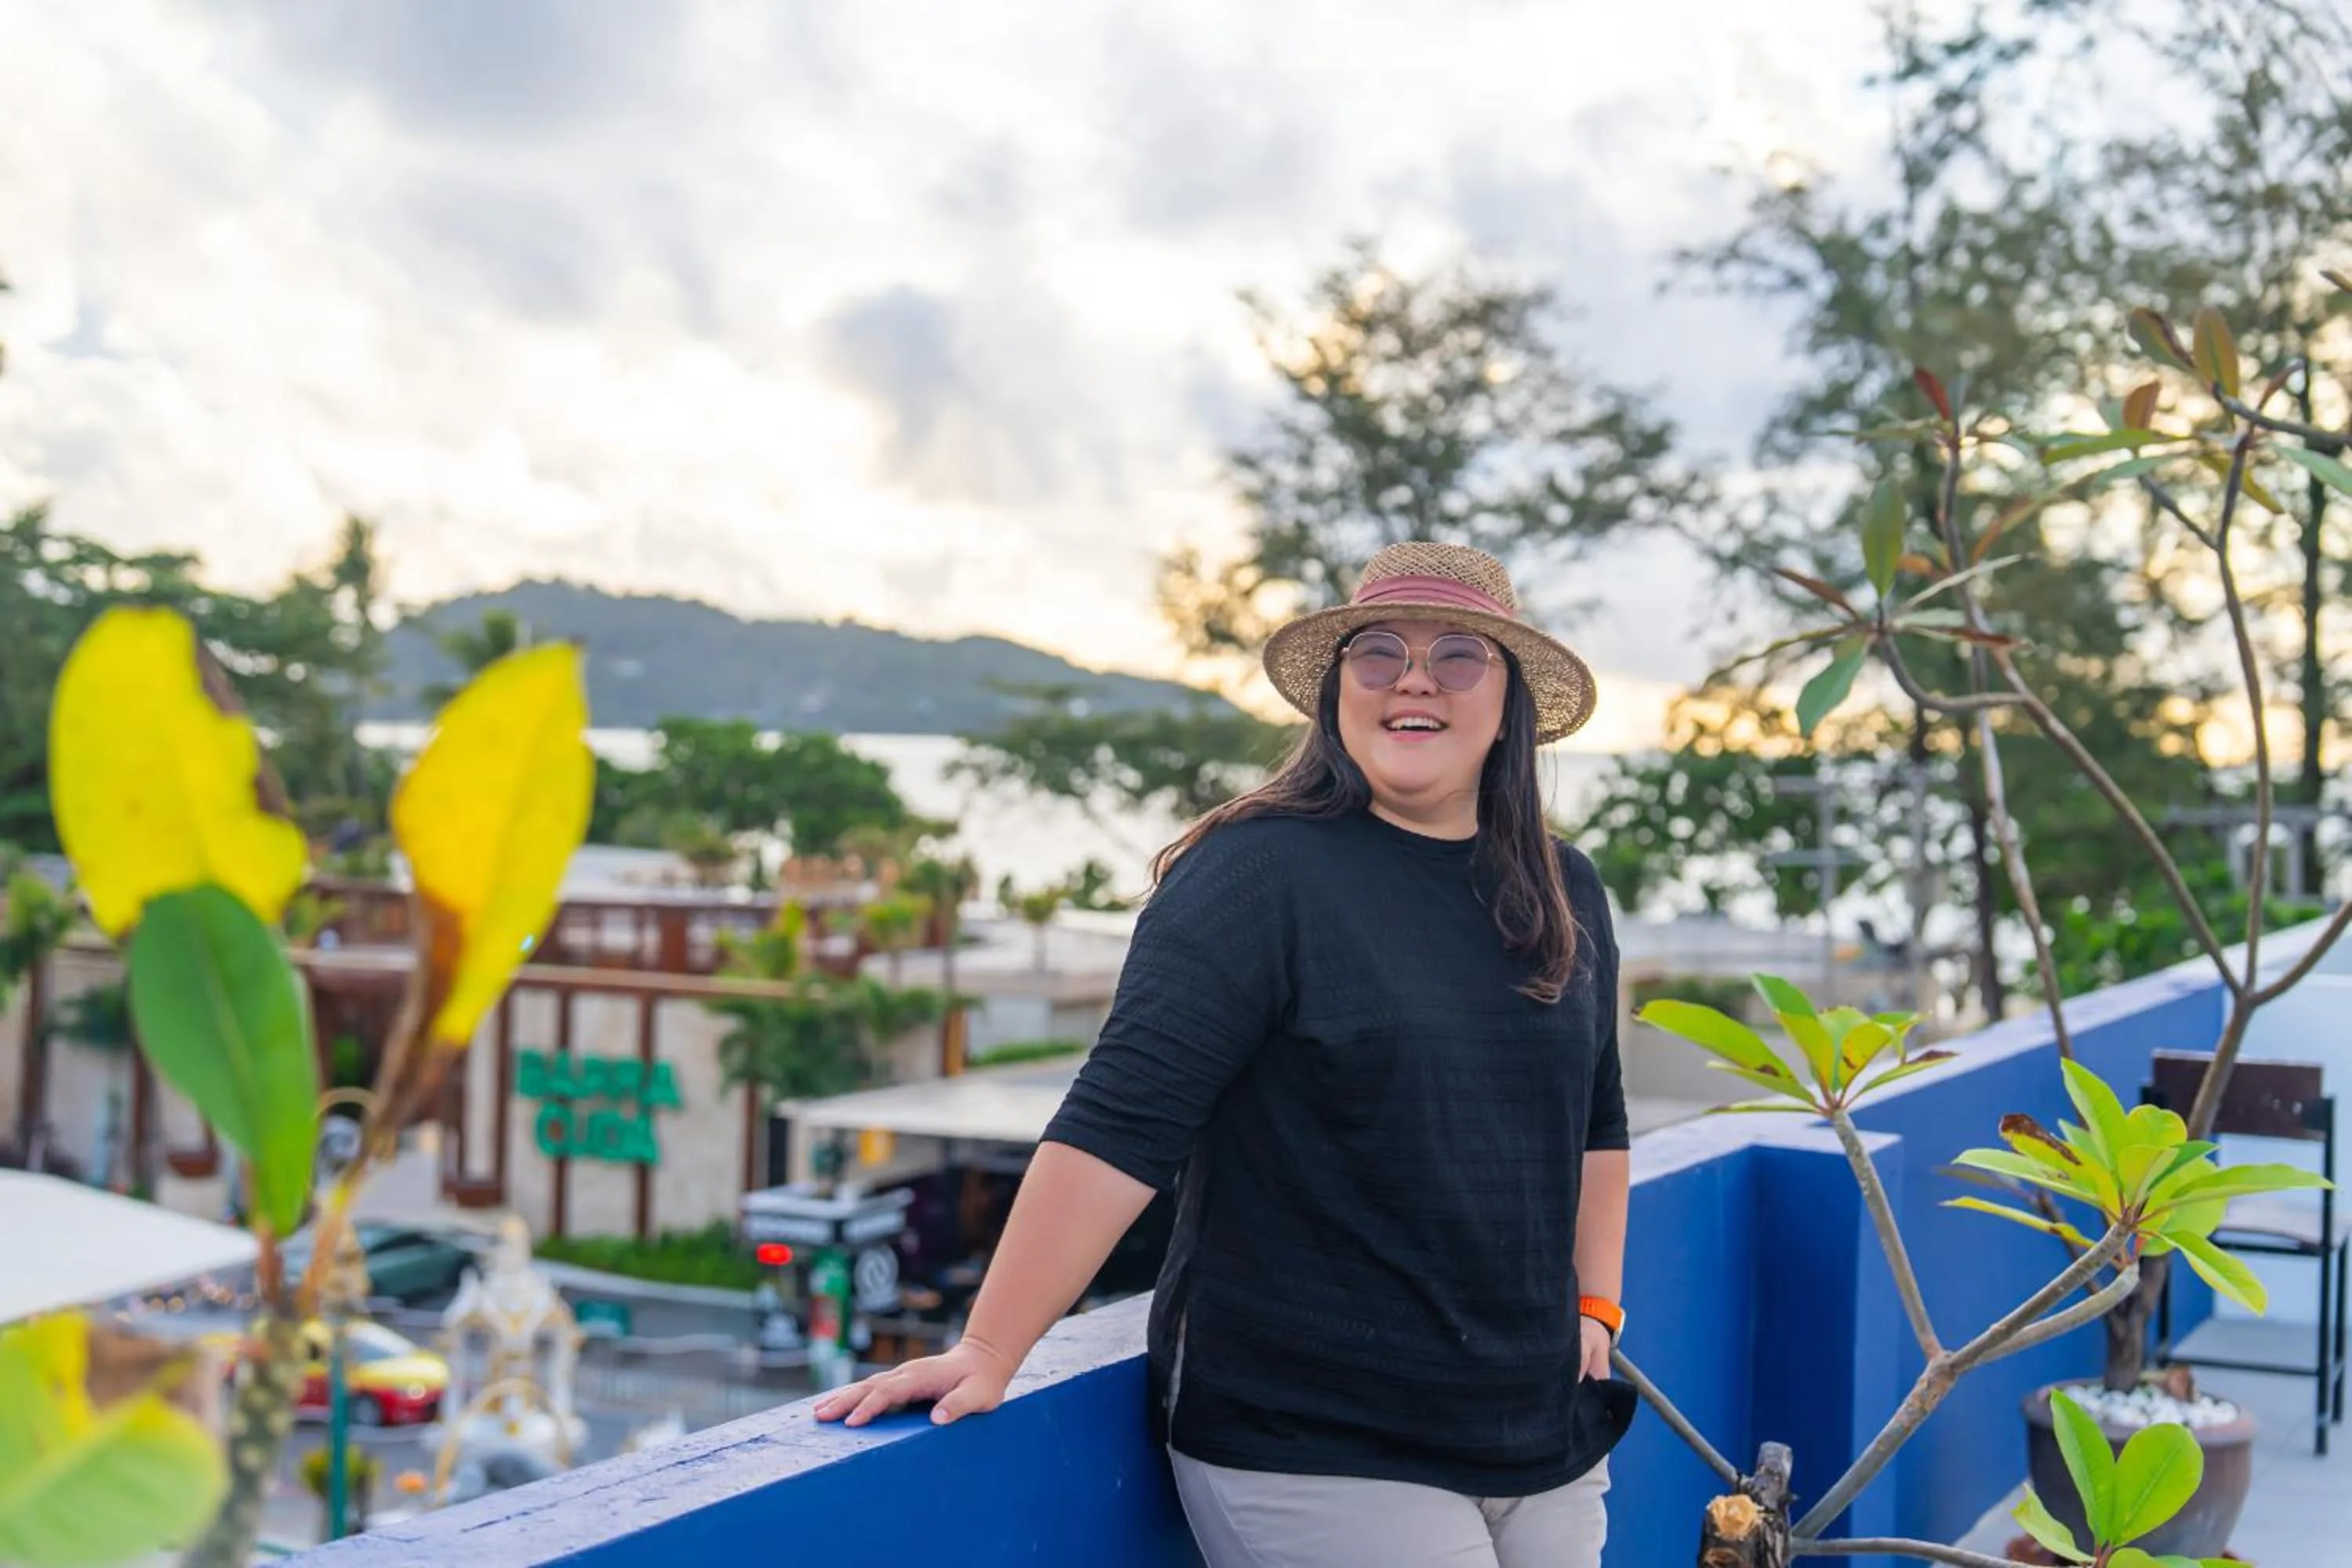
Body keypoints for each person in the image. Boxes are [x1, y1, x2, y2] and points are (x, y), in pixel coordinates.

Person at [816, 542, 1635, 1567]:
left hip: (1540, 1428)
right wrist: (988, 1346)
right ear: (1337, 693)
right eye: (1378, 654)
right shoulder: (1255, 877)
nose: (1415, 679)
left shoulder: (1563, 887)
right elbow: (1118, 1126)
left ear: (1510, 703)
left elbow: (1596, 1119)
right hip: (1320, 1438)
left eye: (1459, 656)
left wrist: (1595, 1304)